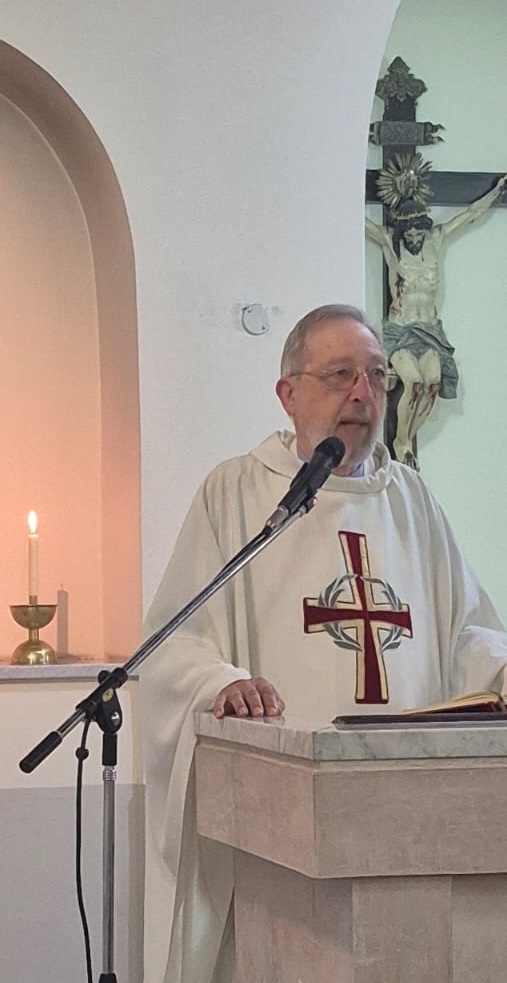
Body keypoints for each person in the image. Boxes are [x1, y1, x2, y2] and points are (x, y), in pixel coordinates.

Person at [140, 304, 507, 983]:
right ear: (288, 392)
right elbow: (175, 640)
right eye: (339, 374)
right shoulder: (239, 492)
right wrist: (219, 681)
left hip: (411, 816)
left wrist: (501, 668)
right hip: (280, 831)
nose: (362, 394)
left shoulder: (411, 500)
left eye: (376, 377)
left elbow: (466, 632)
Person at [365, 174, 506, 467]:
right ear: (401, 229)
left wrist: (496, 192)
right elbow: (357, 220)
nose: (414, 238)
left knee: (432, 385)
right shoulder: (391, 242)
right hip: (401, 330)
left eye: (418, 233)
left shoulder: (436, 239)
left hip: (429, 330)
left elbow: (469, 215)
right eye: (410, 234)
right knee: (414, 383)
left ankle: (409, 437)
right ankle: (400, 441)